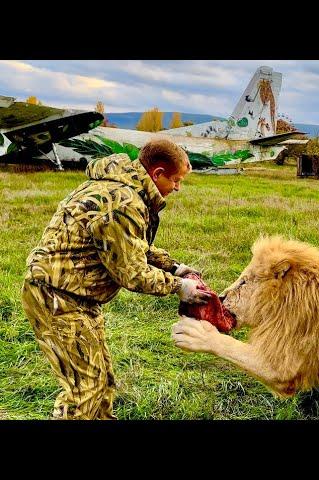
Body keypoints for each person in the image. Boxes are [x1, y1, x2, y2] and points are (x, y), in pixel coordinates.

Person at [21, 138, 211, 420]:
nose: (177, 188)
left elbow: (129, 245)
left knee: (102, 381)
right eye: (175, 180)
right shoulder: (122, 202)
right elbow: (132, 273)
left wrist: (174, 267)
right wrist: (179, 287)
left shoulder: (120, 188)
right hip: (58, 298)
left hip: (74, 296)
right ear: (157, 173)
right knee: (83, 390)